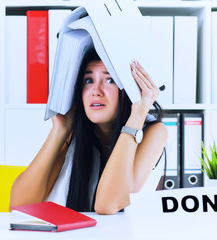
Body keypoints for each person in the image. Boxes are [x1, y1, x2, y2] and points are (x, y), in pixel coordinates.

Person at [10, 50, 168, 215]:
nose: (96, 91)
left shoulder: (154, 133)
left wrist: (138, 115)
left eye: (110, 80)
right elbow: (19, 206)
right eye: (89, 80)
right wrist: (59, 130)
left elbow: (107, 205)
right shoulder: (73, 134)